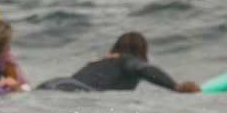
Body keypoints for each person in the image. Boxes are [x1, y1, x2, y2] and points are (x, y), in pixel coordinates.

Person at [36, 32, 200, 93]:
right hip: (73, 90)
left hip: (54, 83)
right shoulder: (127, 60)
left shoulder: (104, 59)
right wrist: (175, 86)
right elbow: (144, 69)